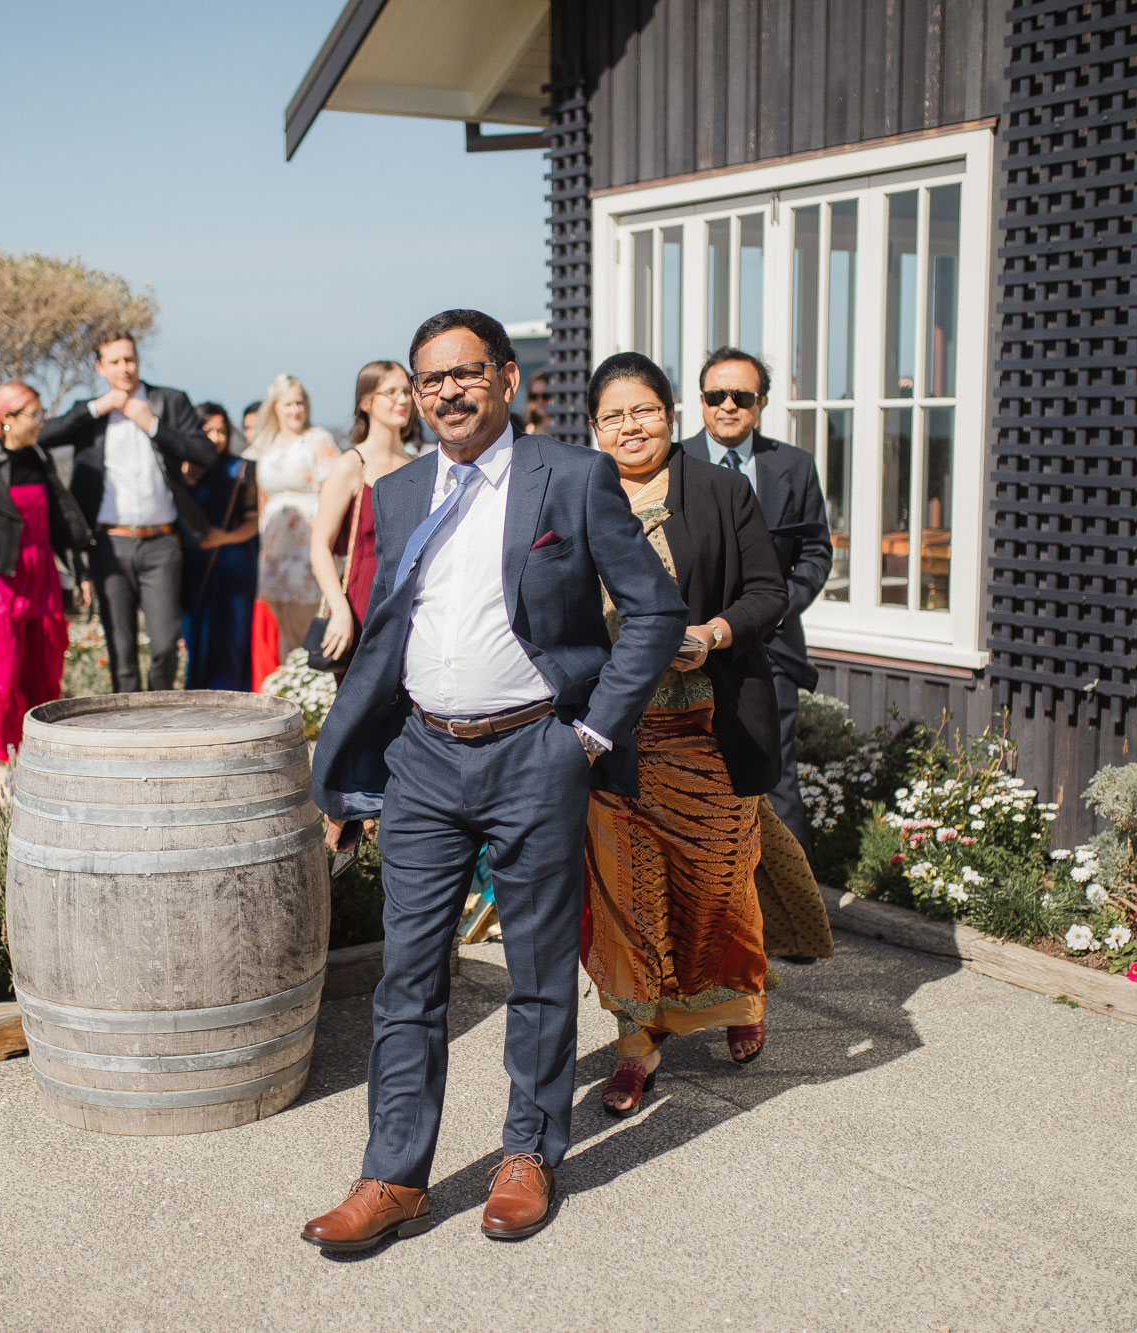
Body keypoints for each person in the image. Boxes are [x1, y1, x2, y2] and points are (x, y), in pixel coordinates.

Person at [302, 310, 687, 1253]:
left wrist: (592, 732)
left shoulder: (575, 474)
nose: (446, 394)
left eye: (464, 374)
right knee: (408, 978)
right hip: (425, 760)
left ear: (506, 380)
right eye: (428, 381)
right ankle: (393, 1176)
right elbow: (389, 633)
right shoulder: (395, 494)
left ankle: (529, 1153)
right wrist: (357, 765)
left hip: (537, 752)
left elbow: (654, 610)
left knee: (540, 968)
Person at [575, 352, 795, 1116]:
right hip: (618, 732)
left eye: (645, 410)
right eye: (614, 415)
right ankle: (637, 1045)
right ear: (594, 428)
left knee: (719, 887)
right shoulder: (576, 493)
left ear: (671, 414)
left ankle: (740, 1001)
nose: (631, 426)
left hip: (711, 722)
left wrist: (717, 631)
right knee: (626, 900)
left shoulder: (721, 489)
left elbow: (770, 590)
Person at [677, 348, 833, 859]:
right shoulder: (671, 464)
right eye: (715, 396)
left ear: (761, 402)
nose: (727, 406)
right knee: (695, 774)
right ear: (699, 403)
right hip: (691, 646)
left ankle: (794, 921)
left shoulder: (793, 466)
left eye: (740, 396)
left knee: (775, 771)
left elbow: (815, 550)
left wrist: (780, 607)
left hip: (773, 645)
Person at [34, 330, 218, 693]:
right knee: (121, 647)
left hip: (162, 543)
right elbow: (43, 436)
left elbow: (205, 454)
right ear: (100, 367)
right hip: (109, 545)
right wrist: (97, 408)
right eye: (115, 362)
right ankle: (127, 731)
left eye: (130, 359)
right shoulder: (90, 413)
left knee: (165, 643)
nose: (125, 368)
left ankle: (161, 716)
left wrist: (152, 424)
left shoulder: (169, 401)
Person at [0, 382, 93, 777]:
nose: (41, 422)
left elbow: (63, 523)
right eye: (35, 414)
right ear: (8, 419)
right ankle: (0, 761)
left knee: (45, 668)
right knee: (2, 672)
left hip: (42, 573)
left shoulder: (41, 460)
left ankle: (38, 754)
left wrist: (79, 572)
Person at [307, 360, 419, 667]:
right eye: (391, 392)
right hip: (360, 600)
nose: (402, 400)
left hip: (410, 597)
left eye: (407, 391)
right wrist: (339, 610)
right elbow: (319, 547)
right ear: (366, 402)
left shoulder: (418, 465)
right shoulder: (351, 465)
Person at [246, 374, 339, 665]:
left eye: (300, 402)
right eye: (288, 404)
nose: (295, 410)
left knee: (306, 622)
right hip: (275, 548)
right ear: (275, 407)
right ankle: (291, 689)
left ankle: (316, 693)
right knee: (282, 626)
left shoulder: (318, 439)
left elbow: (332, 492)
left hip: (307, 543)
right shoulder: (266, 445)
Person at [180, 402, 258, 690]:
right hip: (192, 566)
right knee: (196, 639)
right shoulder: (182, 472)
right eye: (208, 430)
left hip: (233, 565)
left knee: (232, 642)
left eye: (222, 430)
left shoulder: (241, 469)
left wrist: (222, 538)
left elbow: (253, 522)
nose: (216, 437)